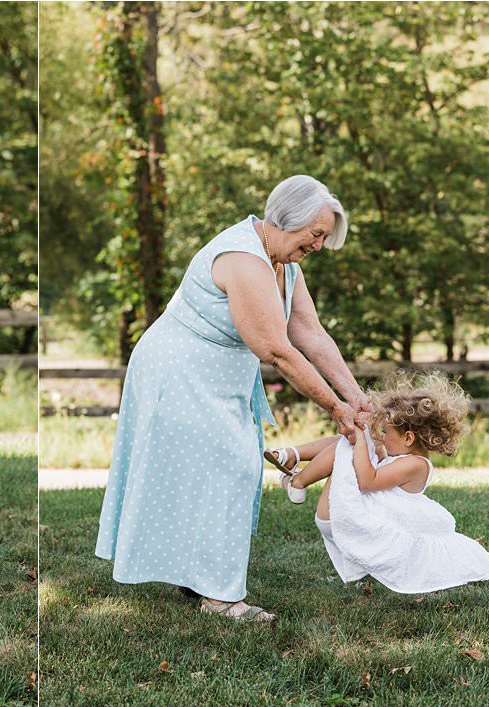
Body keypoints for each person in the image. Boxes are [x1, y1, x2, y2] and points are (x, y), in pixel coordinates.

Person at [95, 174, 370, 625]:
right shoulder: (244, 259)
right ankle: (220, 596)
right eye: (315, 234)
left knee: (218, 467)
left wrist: (355, 397)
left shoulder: (285, 264)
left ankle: (199, 574)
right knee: (230, 465)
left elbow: (310, 333)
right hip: (178, 369)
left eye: (323, 237)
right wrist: (333, 408)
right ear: (286, 220)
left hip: (217, 374)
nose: (319, 245)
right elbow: (277, 350)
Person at [266, 371, 489, 593]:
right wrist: (368, 443)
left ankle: (298, 481)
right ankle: (292, 455)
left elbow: (368, 481)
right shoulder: (402, 457)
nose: (382, 436)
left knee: (349, 443)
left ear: (408, 438)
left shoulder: (416, 465)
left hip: (345, 518)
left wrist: (361, 440)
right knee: (348, 440)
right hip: (345, 515)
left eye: (387, 433)